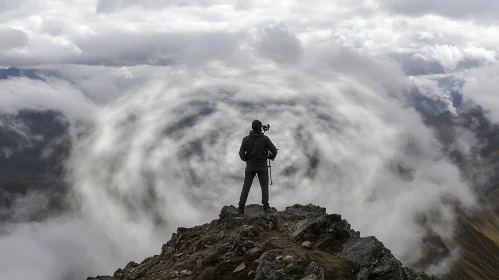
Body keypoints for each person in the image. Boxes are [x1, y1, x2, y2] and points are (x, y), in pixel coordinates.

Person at [238, 119, 278, 214]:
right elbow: (274, 151)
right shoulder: (265, 139)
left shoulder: (246, 139)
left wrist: (247, 160)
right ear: (260, 128)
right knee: (264, 187)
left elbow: (241, 154)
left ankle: (241, 208)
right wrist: (270, 157)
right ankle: (266, 207)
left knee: (246, 187)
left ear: (252, 127)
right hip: (262, 167)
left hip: (250, 167)